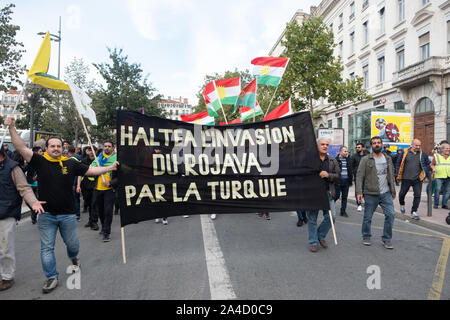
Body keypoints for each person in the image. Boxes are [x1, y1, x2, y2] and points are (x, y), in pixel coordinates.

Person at [5, 117, 118, 294]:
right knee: (47, 248)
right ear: (46, 148)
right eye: (53, 146)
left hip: (68, 215)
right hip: (46, 215)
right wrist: (12, 127)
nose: (56, 148)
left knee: (72, 246)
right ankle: (51, 277)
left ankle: (73, 258)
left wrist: (109, 169)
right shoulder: (39, 160)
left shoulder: (71, 163)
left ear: (63, 148)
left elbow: (91, 171)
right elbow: (20, 147)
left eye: (59, 146)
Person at [0, 145, 45, 291]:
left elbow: (24, 188)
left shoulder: (14, 168)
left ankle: (7, 277)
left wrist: (33, 202)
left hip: (6, 213)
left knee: (5, 248)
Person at [356, 136, 396, 249]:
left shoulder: (387, 158)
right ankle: (366, 235)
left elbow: (391, 175)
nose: (377, 144)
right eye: (374, 143)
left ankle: (387, 238)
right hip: (370, 193)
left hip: (386, 193)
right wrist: (359, 192)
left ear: (382, 144)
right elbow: (359, 176)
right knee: (368, 217)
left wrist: (393, 190)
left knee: (391, 215)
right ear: (371, 146)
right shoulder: (365, 159)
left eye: (378, 143)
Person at [305, 138, 340, 253]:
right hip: (313, 194)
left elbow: (338, 176)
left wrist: (328, 175)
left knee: (331, 217)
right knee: (312, 219)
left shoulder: (332, 161)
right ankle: (313, 242)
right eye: (322, 144)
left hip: (328, 193)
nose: (325, 146)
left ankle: (320, 235)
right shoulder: (310, 160)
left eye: (327, 145)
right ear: (317, 146)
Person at [395, 139, 431, 220]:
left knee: (417, 195)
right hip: (406, 178)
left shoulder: (422, 153)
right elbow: (398, 163)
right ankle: (402, 204)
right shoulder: (405, 152)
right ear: (411, 145)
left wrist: (429, 169)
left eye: (419, 145)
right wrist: (397, 174)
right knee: (401, 194)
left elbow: (428, 163)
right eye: (416, 145)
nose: (418, 147)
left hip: (418, 179)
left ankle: (414, 211)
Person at [90, 141, 117, 242]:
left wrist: (111, 182)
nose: (107, 148)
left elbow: (121, 175)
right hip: (97, 189)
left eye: (109, 146)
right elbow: (90, 169)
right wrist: (97, 168)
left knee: (108, 211)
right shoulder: (98, 159)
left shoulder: (117, 159)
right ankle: (103, 226)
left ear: (113, 148)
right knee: (100, 210)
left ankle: (106, 232)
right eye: (105, 146)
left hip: (109, 190)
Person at [79, 146, 98, 229]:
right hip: (85, 186)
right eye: (90, 150)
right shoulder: (83, 161)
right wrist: (78, 185)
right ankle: (90, 221)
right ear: (87, 151)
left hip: (96, 186)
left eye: (93, 150)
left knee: (94, 204)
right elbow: (80, 173)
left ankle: (94, 222)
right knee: (89, 204)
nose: (91, 152)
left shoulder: (99, 161)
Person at [26, 146, 43, 224]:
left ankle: (34, 215)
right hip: (30, 184)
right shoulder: (29, 161)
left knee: (37, 199)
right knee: (28, 202)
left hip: (39, 185)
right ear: (35, 152)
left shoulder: (43, 161)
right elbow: (23, 169)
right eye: (40, 151)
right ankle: (34, 212)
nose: (42, 153)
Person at [430, 142, 450, 209]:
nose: (448, 149)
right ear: (442, 149)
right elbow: (431, 164)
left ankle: (444, 204)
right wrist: (433, 169)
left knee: (447, 191)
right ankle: (436, 204)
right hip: (439, 176)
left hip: (448, 176)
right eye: (447, 148)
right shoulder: (437, 156)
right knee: (437, 190)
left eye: (449, 148)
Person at [335, 146, 353, 217]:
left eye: (347, 151)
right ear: (340, 152)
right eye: (345, 151)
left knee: (345, 197)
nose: (346, 153)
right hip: (338, 181)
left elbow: (350, 171)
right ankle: (329, 208)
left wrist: (351, 181)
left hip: (346, 181)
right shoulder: (335, 160)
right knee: (336, 196)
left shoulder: (348, 160)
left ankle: (343, 211)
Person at [350, 143, 368, 212]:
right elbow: (351, 167)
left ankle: (367, 204)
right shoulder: (353, 156)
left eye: (359, 147)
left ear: (363, 148)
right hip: (357, 176)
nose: (357, 148)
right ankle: (359, 204)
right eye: (356, 147)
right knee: (358, 190)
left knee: (366, 190)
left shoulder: (367, 156)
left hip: (366, 176)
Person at [67, 146, 82, 221]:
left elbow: (73, 173)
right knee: (77, 198)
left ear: (69, 153)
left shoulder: (71, 160)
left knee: (74, 199)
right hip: (79, 181)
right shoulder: (79, 157)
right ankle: (77, 214)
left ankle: (76, 214)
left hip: (74, 182)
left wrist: (73, 184)